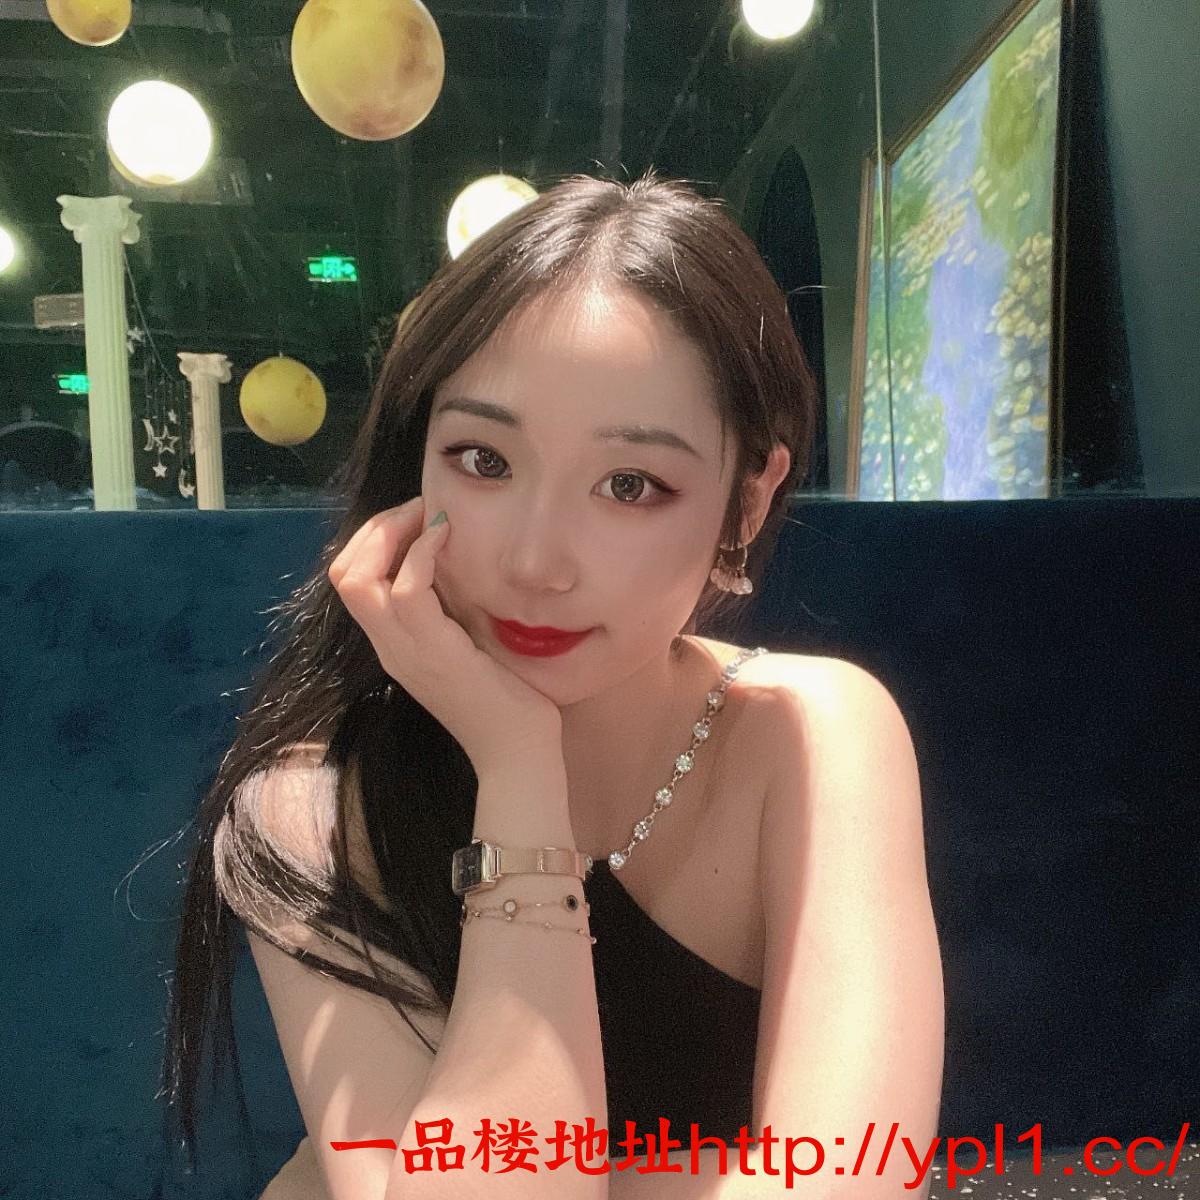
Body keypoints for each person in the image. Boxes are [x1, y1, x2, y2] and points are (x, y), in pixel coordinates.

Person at [160, 169, 945, 1200]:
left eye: (630, 484)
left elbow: (859, 1180)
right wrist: (518, 763)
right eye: (483, 460)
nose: (535, 562)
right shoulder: (310, 809)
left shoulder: (815, 734)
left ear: (746, 505)